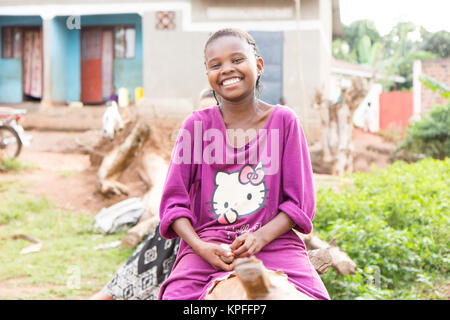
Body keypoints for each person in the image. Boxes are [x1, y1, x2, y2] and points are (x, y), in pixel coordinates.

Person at [157, 28, 329, 300]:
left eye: (237, 60)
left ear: (258, 66)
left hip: (274, 244)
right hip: (207, 248)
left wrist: (260, 237)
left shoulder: (284, 122)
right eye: (216, 65)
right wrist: (200, 247)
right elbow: (173, 203)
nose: (226, 69)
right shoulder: (196, 127)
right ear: (209, 76)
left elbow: (299, 203)